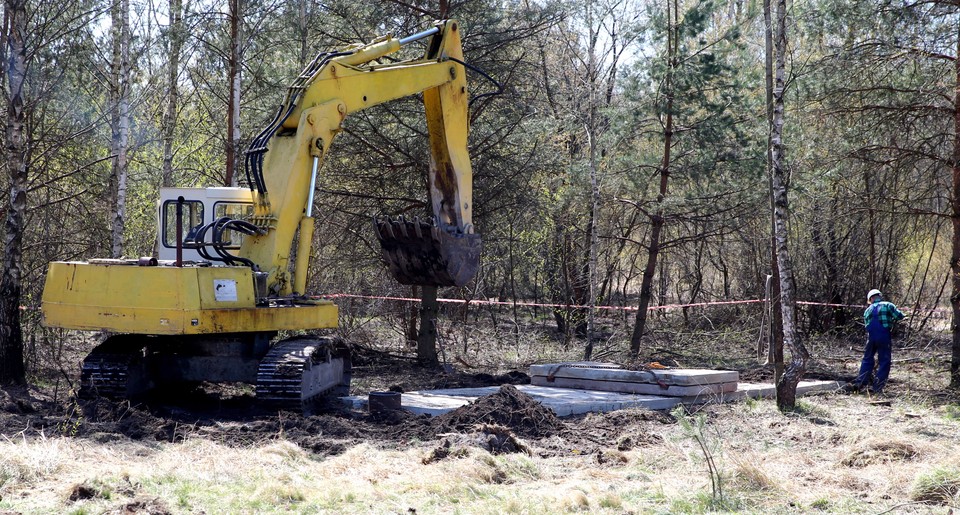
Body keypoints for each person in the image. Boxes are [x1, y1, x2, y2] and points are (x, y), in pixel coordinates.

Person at [853, 289, 905, 394]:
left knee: (867, 359)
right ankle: (877, 387)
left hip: (871, 338)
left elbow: (867, 326)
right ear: (879, 296)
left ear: (871, 299)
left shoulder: (867, 310)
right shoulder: (888, 305)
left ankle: (860, 383)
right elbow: (900, 316)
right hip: (884, 337)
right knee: (884, 361)